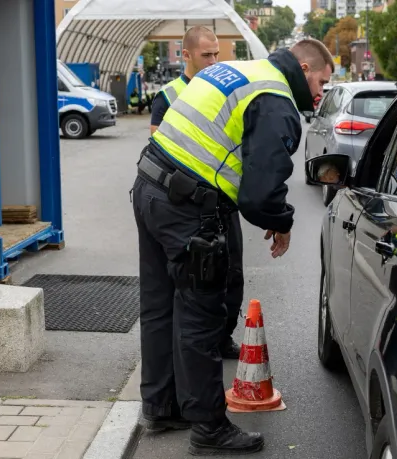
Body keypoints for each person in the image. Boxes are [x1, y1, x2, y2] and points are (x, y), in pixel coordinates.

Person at [131, 39, 333, 455]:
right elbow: (259, 197)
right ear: (304, 64)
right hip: (188, 207)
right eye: (321, 80)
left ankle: (160, 406)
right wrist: (282, 222)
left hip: (149, 188)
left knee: (159, 307)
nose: (320, 92)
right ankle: (208, 427)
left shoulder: (236, 70)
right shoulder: (275, 100)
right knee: (201, 316)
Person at [148, 27, 243, 359]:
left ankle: (223, 336)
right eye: (207, 55)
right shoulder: (170, 95)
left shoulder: (226, 92)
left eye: (217, 54)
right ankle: (194, 346)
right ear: (184, 55)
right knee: (194, 278)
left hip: (223, 200)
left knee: (232, 273)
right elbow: (160, 146)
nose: (214, 60)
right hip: (187, 203)